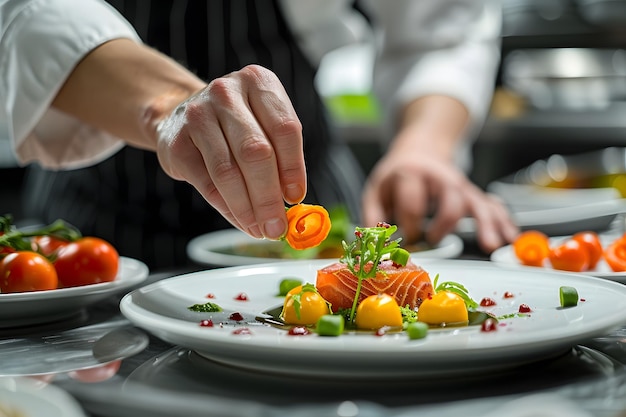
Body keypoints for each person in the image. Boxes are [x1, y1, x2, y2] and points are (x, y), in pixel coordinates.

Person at [0, 0, 517, 270]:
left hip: (315, 214)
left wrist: (422, 147)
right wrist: (166, 106)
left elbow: (439, 31)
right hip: (93, 227)